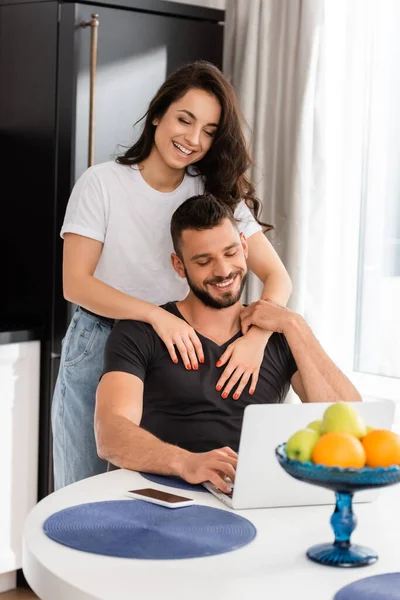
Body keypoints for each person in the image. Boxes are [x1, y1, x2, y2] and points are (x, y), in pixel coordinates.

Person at [51, 61, 292, 490]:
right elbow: (76, 283)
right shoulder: (101, 183)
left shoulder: (214, 192)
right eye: (185, 119)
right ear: (158, 113)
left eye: (209, 130)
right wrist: (155, 316)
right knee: (82, 489)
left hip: (175, 351)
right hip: (103, 336)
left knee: (163, 485)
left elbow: (277, 277)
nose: (193, 140)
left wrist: (255, 339)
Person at [95, 194, 361, 494]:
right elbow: (110, 433)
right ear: (179, 265)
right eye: (204, 261)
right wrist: (187, 463)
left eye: (231, 252)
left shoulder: (281, 336)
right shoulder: (139, 334)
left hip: (248, 500)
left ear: (245, 247)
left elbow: (353, 425)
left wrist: (295, 325)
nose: (223, 271)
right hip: (160, 497)